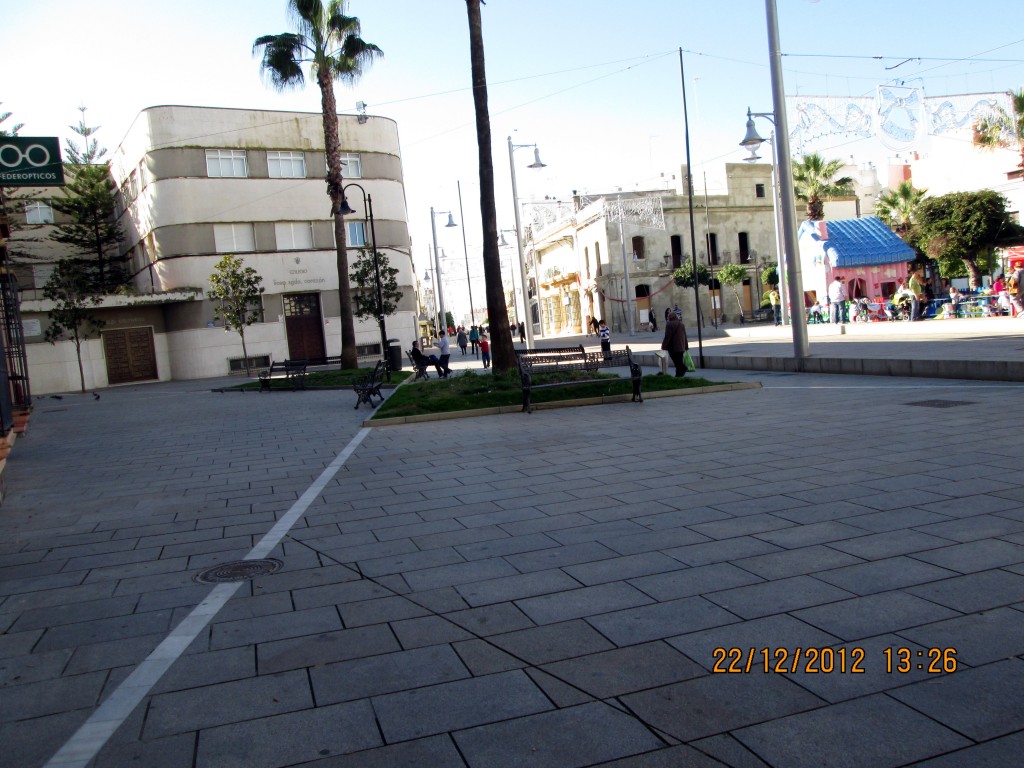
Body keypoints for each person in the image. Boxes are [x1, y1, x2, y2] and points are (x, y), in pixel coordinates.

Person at [661, 312, 690, 377]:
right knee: (679, 361)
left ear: (669, 318)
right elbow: (684, 336)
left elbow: (667, 337)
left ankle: (682, 369)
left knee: (677, 363)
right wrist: (686, 346)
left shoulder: (669, 325)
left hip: (673, 348)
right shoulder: (681, 324)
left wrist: (663, 346)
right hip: (681, 347)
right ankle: (678, 376)